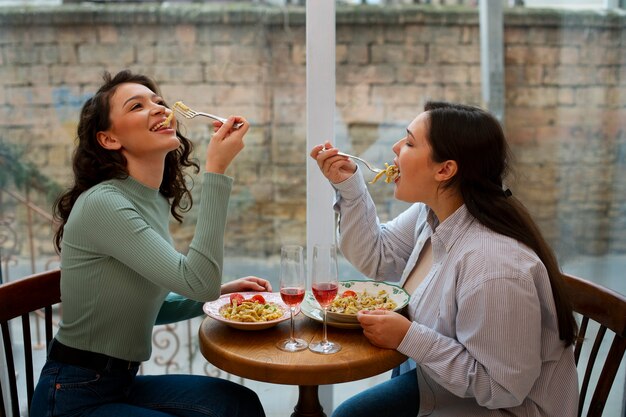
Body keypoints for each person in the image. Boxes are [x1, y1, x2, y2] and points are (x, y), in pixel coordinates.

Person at [310, 101, 579, 417]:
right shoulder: (434, 215)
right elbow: (376, 256)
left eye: (409, 142)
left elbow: (502, 389)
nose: (396, 147)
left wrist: (409, 337)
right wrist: (350, 187)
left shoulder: (495, 266)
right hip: (436, 380)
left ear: (445, 169)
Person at [31, 70, 268, 417]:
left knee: (238, 404)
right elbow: (197, 281)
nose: (159, 108)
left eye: (158, 101)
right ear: (109, 139)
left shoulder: (151, 200)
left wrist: (224, 290)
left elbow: (151, 306)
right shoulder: (105, 204)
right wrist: (217, 171)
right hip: (73, 395)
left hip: (119, 383)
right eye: (137, 106)